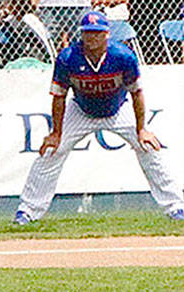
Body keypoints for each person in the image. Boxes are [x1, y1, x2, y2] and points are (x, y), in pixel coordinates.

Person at [14, 10, 184, 225]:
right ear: (81, 34)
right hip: (81, 110)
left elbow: (136, 93)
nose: (91, 37)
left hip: (118, 109)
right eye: (87, 33)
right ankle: (27, 211)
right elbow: (59, 96)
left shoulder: (123, 56)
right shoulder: (68, 58)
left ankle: (176, 206)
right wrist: (56, 133)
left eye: (96, 33)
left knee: (149, 148)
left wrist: (142, 129)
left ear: (106, 34)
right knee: (51, 151)